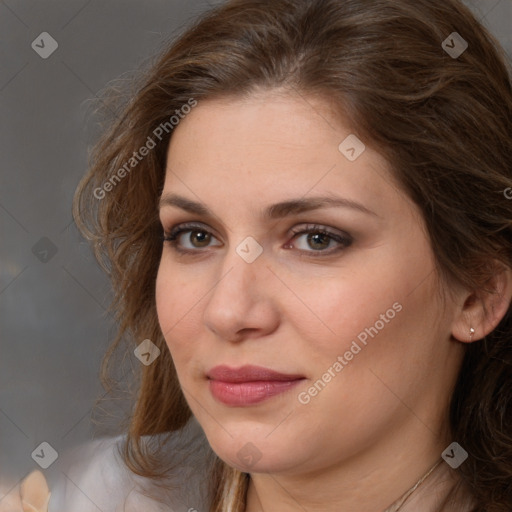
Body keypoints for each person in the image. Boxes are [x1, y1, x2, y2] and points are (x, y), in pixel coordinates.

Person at [33, 0, 512, 510]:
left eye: (316, 239)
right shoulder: (73, 494)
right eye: (196, 236)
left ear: (477, 293)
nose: (227, 312)